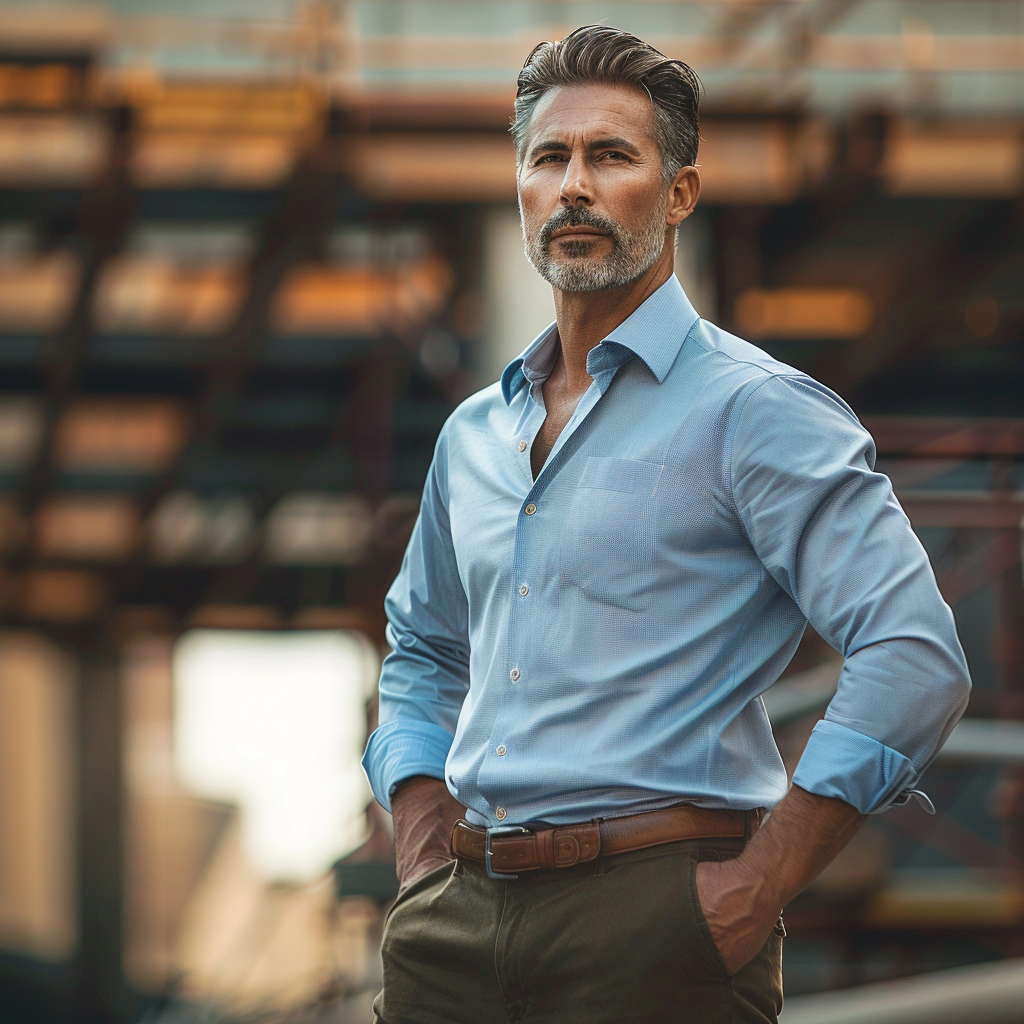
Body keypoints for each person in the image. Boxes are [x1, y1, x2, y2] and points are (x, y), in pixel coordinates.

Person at [361, 24, 970, 1024]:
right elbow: (422, 645)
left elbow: (912, 652)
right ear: (518, 184)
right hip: (454, 923)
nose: (572, 187)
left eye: (610, 156)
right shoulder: (473, 433)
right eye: (547, 158)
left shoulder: (757, 410)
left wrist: (756, 885)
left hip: (654, 916)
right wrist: (422, 826)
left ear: (679, 192)